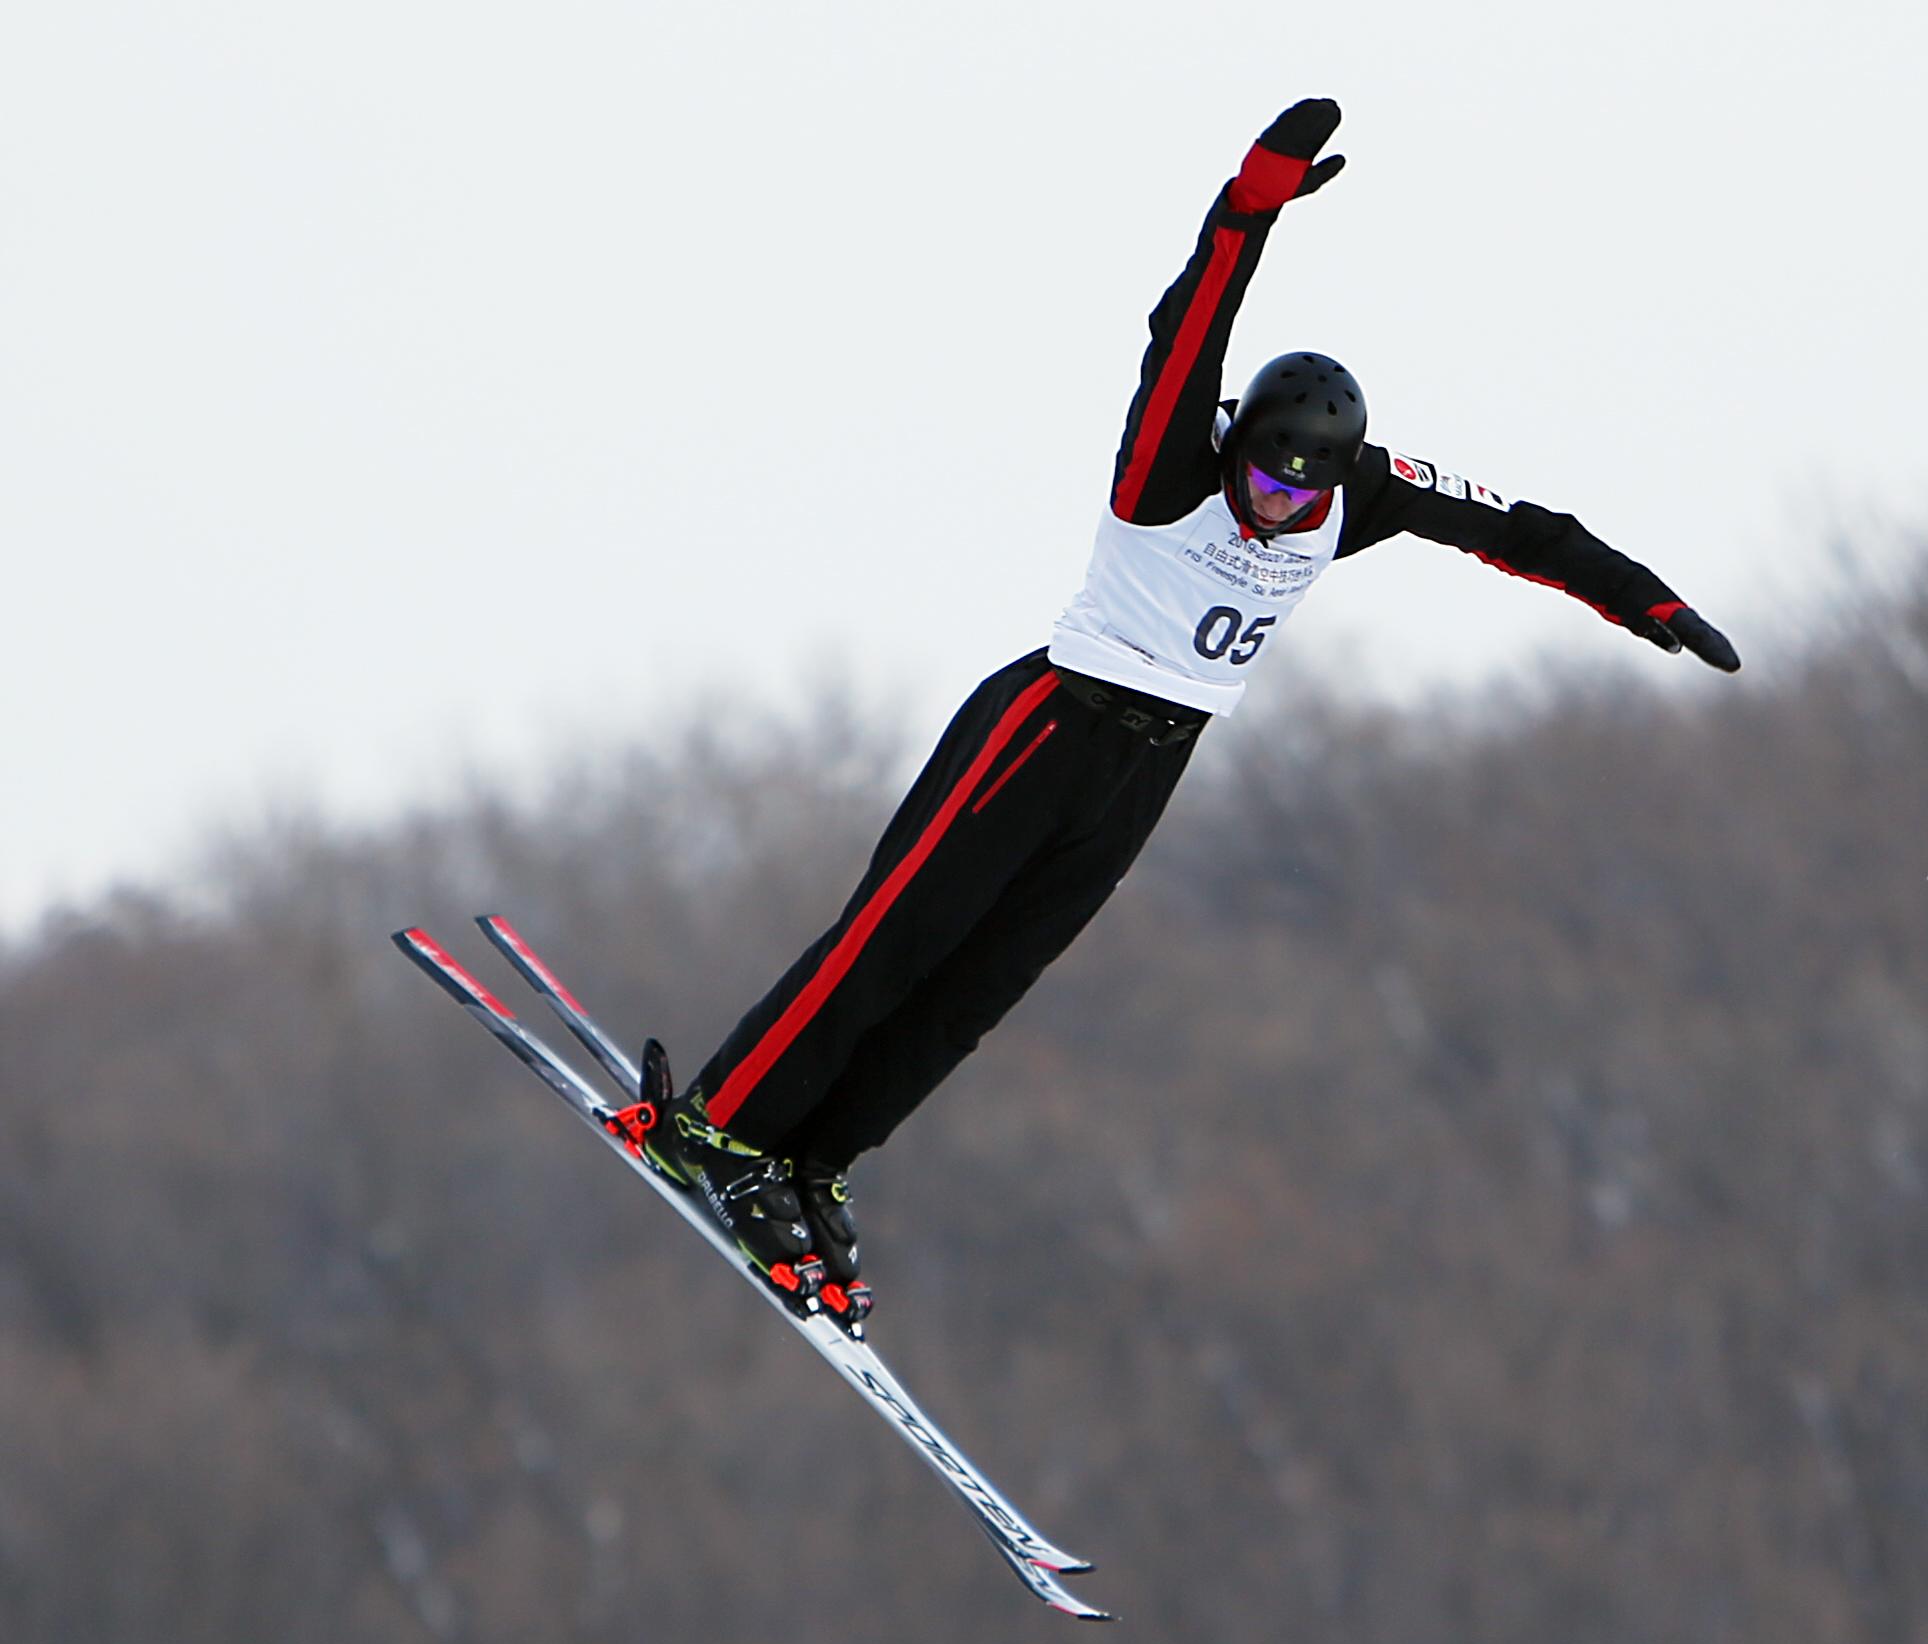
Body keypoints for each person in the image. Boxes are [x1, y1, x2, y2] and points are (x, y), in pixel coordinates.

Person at [629, 98, 1741, 1323]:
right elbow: (1186, 329)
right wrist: (1248, 203)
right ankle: (720, 1127)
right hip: (1048, 725)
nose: (1275, 503)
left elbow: (1514, 531)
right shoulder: (1176, 463)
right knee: (893, 939)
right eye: (1263, 475)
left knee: (975, 988)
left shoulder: (1342, 492)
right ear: (1239, 450)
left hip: (1149, 767)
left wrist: (1649, 605)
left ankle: (814, 1151)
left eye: (1299, 487)